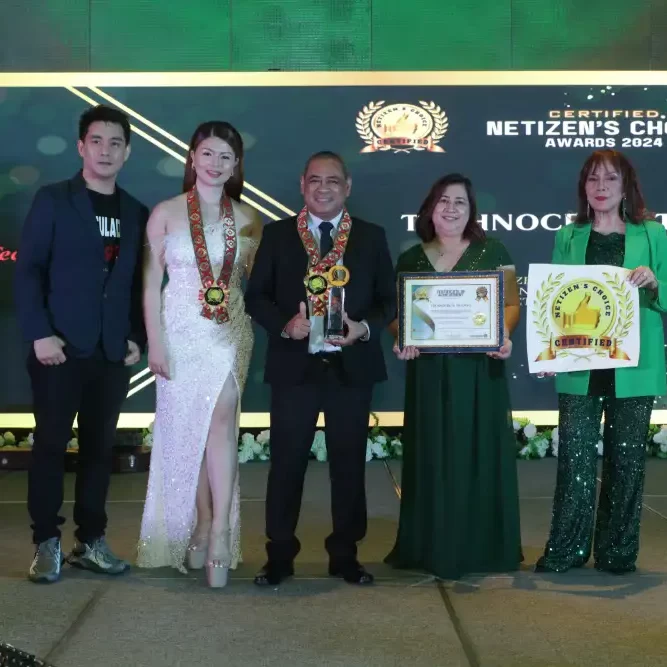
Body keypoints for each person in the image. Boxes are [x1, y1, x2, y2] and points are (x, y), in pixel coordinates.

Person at [245, 151, 396, 586]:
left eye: (332, 181)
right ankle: (279, 555)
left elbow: (388, 299)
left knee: (348, 465)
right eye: (315, 180)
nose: (323, 188)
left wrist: (362, 328)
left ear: (347, 187)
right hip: (295, 367)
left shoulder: (371, 236)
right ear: (302, 185)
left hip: (352, 368)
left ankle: (345, 554)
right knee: (286, 464)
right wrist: (285, 324)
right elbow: (256, 297)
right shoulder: (277, 235)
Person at [14, 105, 147, 583]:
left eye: (115, 143)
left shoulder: (135, 211)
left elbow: (137, 284)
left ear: (127, 152)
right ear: (80, 147)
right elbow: (28, 270)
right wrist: (39, 333)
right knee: (50, 446)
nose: (105, 151)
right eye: (96, 141)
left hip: (110, 354)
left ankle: (91, 541)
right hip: (59, 349)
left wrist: (136, 337)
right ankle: (46, 543)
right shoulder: (54, 199)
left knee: (98, 451)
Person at [137, 121, 262, 588]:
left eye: (225, 156)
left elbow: (258, 285)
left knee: (222, 423)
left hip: (229, 334)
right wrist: (155, 342)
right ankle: (203, 523)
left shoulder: (249, 218)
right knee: (188, 433)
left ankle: (222, 535)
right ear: (192, 157)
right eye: (207, 153)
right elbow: (150, 285)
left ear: (236, 165)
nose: (215, 163)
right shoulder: (165, 213)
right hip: (177, 334)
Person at [384, 173, 522, 580]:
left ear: (471, 210)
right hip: (429, 373)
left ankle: (482, 546)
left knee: (477, 451)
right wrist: (402, 338)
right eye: (443, 200)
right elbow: (396, 315)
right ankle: (430, 544)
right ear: (430, 208)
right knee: (434, 452)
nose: (451, 208)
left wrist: (502, 334)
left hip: (480, 371)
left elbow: (510, 304)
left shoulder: (494, 250)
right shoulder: (411, 258)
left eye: (460, 201)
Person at [535, 150, 667, 574]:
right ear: (584, 188)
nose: (601, 187)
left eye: (610, 178)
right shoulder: (568, 235)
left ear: (626, 186)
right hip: (579, 363)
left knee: (627, 462)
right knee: (574, 460)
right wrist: (547, 348)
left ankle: (617, 552)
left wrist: (655, 283)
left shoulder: (652, 233)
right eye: (593, 179)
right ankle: (566, 550)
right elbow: (554, 299)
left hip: (634, 364)